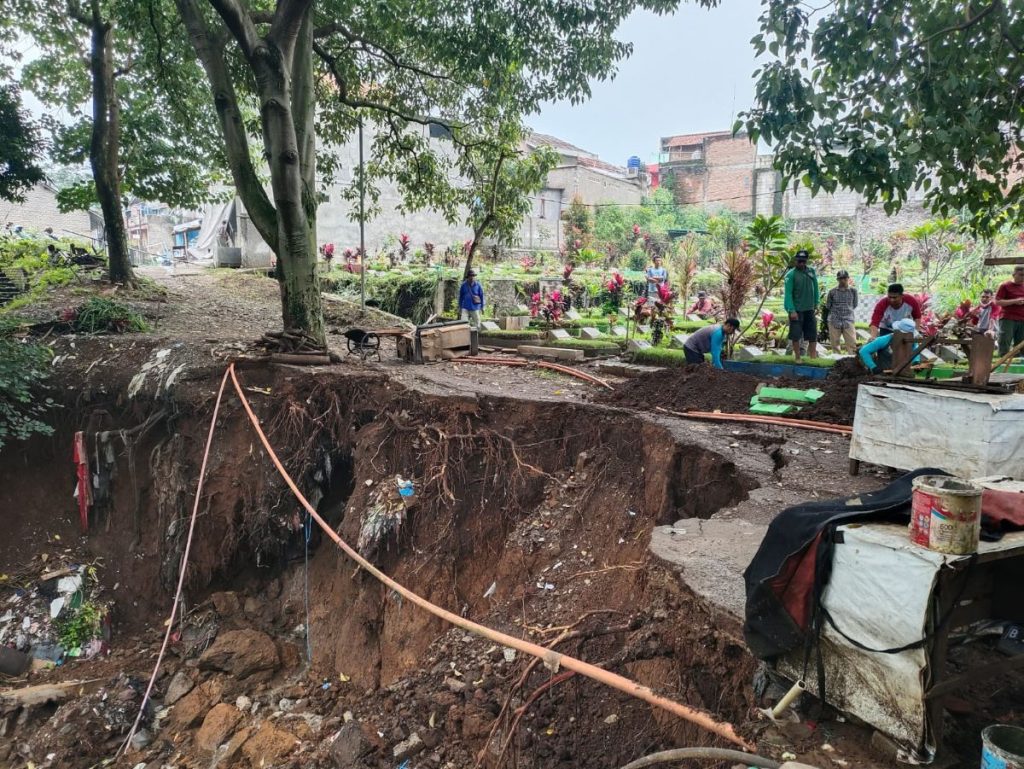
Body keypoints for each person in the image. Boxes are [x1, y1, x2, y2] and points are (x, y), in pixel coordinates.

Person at [868, 283, 922, 370]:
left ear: (901, 296)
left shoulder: (911, 301)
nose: (891, 300)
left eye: (894, 297)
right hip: (886, 329)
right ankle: (884, 370)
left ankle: (904, 369)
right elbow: (874, 323)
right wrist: (873, 337)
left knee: (905, 349)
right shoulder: (882, 304)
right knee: (884, 350)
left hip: (904, 329)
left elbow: (917, 317)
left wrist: (916, 332)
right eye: (889, 297)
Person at [783, 249, 819, 361]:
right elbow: (788, 293)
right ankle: (798, 357)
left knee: (812, 334)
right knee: (796, 335)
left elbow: (816, 288)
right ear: (795, 260)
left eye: (803, 261)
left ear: (806, 261)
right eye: (799, 261)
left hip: (809, 309)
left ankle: (813, 357)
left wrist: (816, 303)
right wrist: (791, 310)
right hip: (796, 310)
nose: (801, 263)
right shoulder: (791, 274)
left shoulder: (811, 271)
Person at [825, 269, 858, 355]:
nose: (843, 280)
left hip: (848, 319)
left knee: (852, 343)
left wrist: (846, 311)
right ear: (837, 279)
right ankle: (837, 361)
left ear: (848, 278)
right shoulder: (832, 292)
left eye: (845, 278)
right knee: (835, 344)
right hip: (834, 319)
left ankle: (853, 361)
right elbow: (828, 305)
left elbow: (854, 304)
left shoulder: (853, 291)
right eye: (840, 278)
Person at [995, 265, 1024, 356]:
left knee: (1021, 344)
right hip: (1008, 318)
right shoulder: (1005, 286)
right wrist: (1014, 301)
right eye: (1021, 275)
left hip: (1022, 318)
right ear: (1014, 274)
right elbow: (997, 302)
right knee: (1005, 340)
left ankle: (1019, 363)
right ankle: (1002, 362)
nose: (1023, 277)